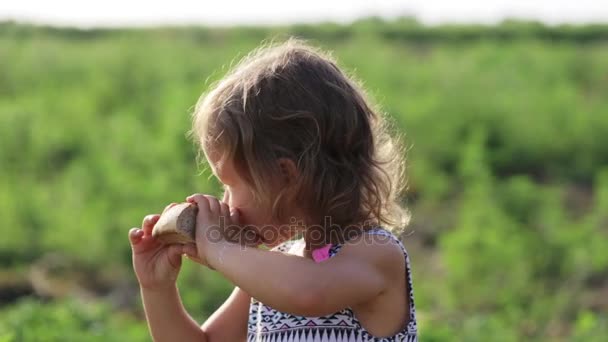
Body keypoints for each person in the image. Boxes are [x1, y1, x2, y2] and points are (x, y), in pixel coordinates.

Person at [128, 38, 418, 342]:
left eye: (230, 184)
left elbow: (309, 293)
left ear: (285, 176)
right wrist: (156, 289)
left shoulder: (375, 253)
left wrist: (218, 249)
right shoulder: (275, 271)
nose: (226, 201)